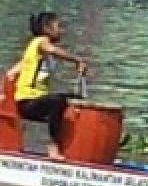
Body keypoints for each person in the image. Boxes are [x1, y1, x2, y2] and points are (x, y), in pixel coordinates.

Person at [6, 12, 88, 160]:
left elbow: (12, 72)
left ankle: (74, 144)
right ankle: (53, 146)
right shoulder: (40, 41)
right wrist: (77, 60)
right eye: (58, 27)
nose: (62, 31)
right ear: (46, 28)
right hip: (27, 102)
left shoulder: (34, 53)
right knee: (57, 101)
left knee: (75, 99)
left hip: (37, 100)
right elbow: (53, 50)